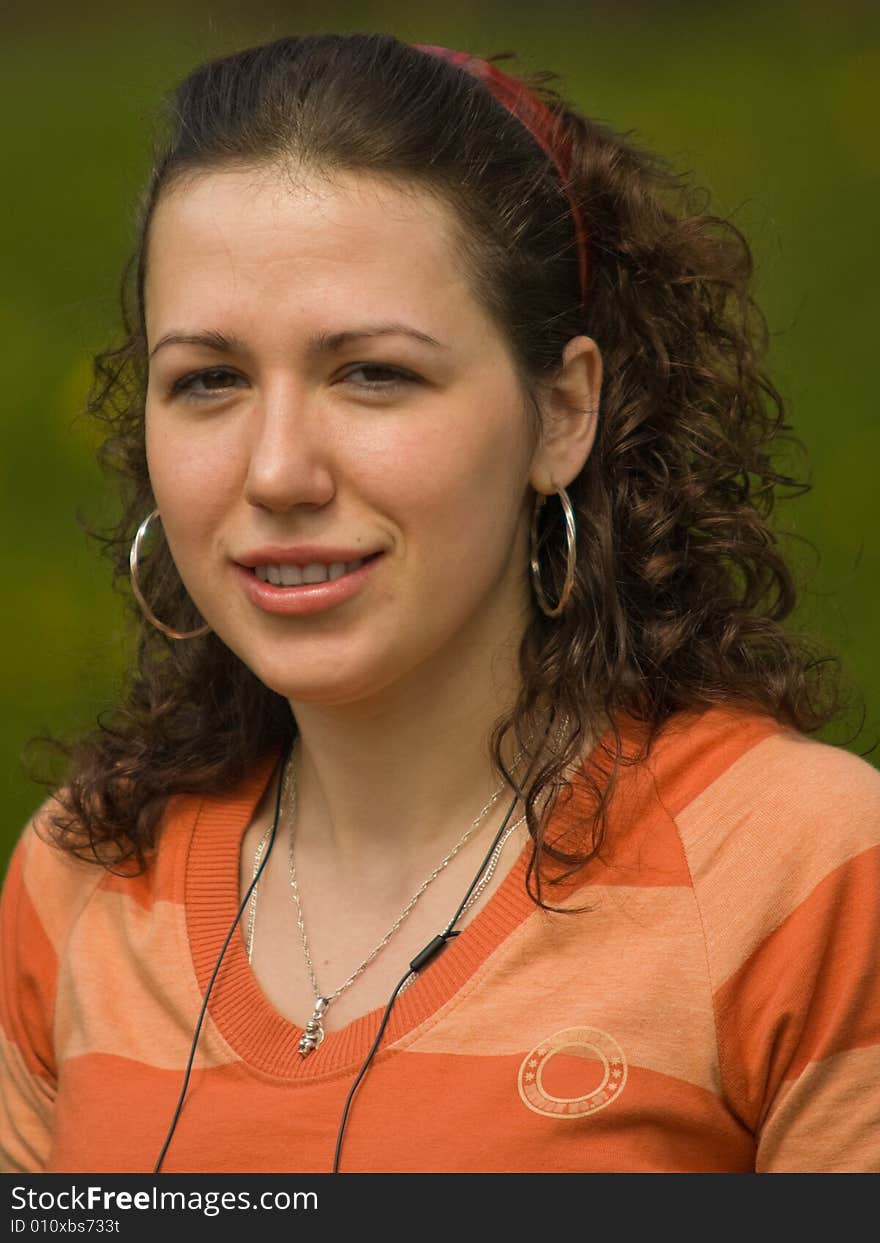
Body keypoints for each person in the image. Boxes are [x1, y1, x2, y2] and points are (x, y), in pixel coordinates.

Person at [1, 31, 878, 1176]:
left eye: (373, 373)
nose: (276, 472)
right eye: (208, 380)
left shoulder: (802, 869)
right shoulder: (85, 876)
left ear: (560, 414)